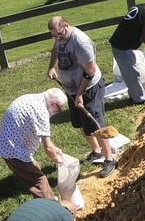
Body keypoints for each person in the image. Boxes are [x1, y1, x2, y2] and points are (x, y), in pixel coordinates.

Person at [47, 15, 117, 179]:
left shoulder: (81, 42)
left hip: (89, 88)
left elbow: (90, 71)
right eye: (54, 35)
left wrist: (80, 94)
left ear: (66, 25)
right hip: (72, 89)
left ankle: (109, 160)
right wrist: (51, 67)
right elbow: (56, 48)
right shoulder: (60, 38)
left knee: (96, 125)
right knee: (80, 123)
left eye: (59, 34)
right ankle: (97, 152)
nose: (57, 38)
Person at [0, 88, 68, 199]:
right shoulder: (41, 111)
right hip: (13, 151)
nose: (58, 112)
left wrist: (54, 148)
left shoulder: (31, 98)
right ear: (52, 103)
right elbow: (48, 148)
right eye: (59, 109)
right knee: (39, 181)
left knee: (34, 169)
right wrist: (57, 159)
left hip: (6, 144)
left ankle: (47, 202)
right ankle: (52, 208)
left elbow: (39, 132)